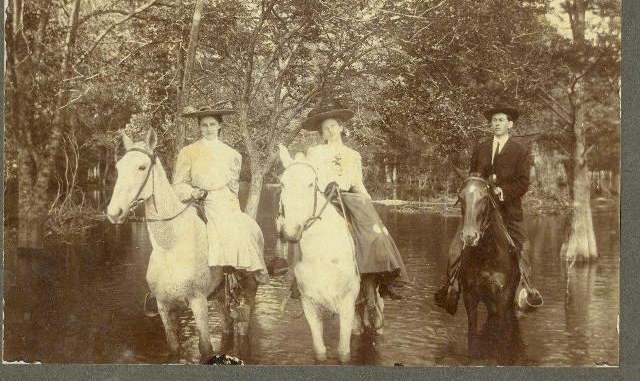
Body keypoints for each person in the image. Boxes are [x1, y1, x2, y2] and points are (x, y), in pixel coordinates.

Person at [285, 101, 409, 327]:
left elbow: (357, 183)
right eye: (325, 128)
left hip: (349, 197)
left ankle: (379, 280)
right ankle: (298, 281)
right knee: (300, 228)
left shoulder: (353, 154)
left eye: (333, 125)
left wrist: (369, 204)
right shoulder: (315, 152)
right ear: (321, 133)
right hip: (322, 199)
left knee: (374, 232)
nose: (330, 130)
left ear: (341, 127)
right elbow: (309, 179)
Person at [434, 104, 542, 315]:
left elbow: (523, 183)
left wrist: (503, 191)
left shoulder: (520, 151)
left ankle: (526, 290)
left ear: (510, 124)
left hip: (507, 210)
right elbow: (473, 176)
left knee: (523, 246)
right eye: (494, 120)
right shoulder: (481, 148)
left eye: (501, 120)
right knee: (456, 245)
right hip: (480, 210)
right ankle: (451, 287)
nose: (497, 124)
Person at [173, 106, 270, 285]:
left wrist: (233, 209)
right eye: (204, 125)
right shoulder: (188, 152)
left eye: (212, 124)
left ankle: (239, 272)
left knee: (237, 226)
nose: (208, 128)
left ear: (220, 126)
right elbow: (178, 184)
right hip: (195, 200)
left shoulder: (232, 154)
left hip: (224, 202)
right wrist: (192, 192)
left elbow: (233, 189)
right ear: (199, 127)